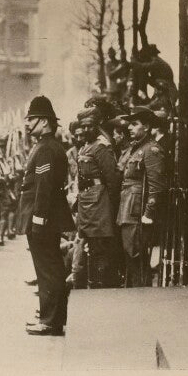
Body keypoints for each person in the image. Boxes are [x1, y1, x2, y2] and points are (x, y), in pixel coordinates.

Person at [18, 96, 74, 336]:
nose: (27, 123)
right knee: (50, 268)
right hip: (45, 217)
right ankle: (51, 316)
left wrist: (38, 219)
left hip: (42, 218)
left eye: (31, 119)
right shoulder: (47, 146)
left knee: (48, 270)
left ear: (44, 121)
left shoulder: (46, 149)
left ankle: (50, 321)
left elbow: (44, 188)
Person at [117, 106, 168, 287]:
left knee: (136, 254)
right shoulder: (136, 149)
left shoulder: (151, 150)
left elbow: (156, 185)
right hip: (128, 208)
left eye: (134, 124)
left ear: (146, 126)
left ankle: (140, 295)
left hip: (137, 211)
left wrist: (149, 213)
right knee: (129, 253)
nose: (129, 128)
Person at [74, 107, 120, 288]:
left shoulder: (101, 147)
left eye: (89, 126)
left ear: (97, 125)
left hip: (99, 202)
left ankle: (101, 285)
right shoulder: (86, 146)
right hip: (87, 202)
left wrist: (111, 207)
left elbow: (112, 179)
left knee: (100, 246)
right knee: (92, 245)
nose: (85, 130)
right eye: (83, 127)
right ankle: (93, 282)